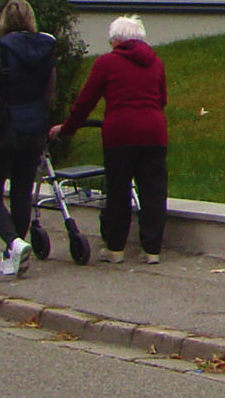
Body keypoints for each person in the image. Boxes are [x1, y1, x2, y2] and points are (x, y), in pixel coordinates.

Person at [52, 14, 168, 264]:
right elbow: (162, 100)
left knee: (118, 190)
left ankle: (115, 248)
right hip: (154, 132)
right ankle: (152, 250)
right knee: (153, 192)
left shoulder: (107, 63)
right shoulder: (156, 63)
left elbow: (85, 102)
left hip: (120, 134)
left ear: (116, 40)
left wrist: (67, 128)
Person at [0, 0, 56, 278]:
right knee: (22, 192)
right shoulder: (46, 52)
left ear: (3, 22)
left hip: (3, 130)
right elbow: (49, 95)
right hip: (33, 130)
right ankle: (16, 251)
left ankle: (13, 242)